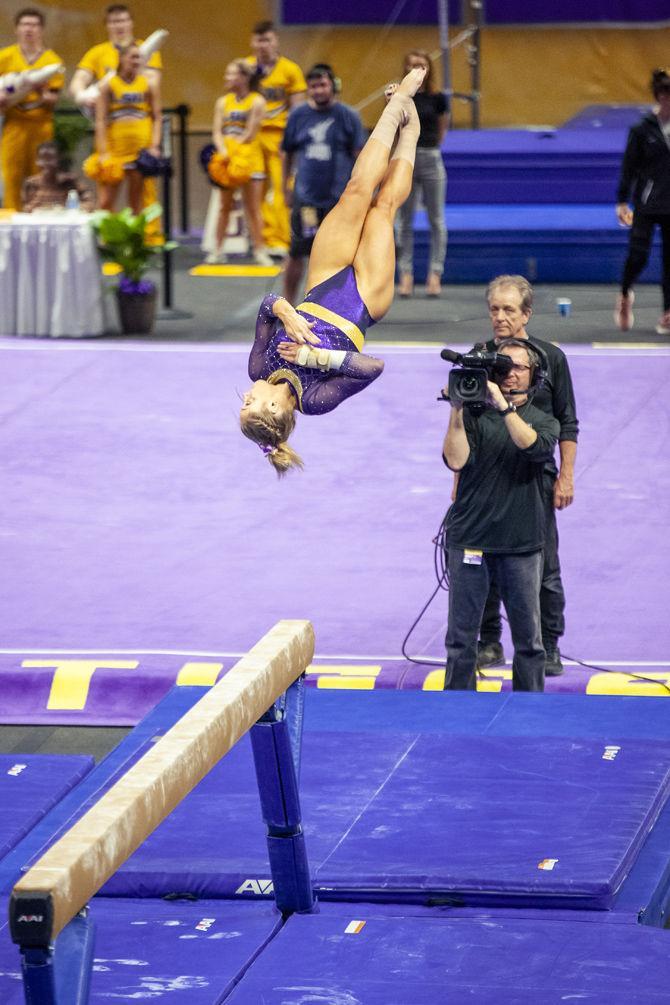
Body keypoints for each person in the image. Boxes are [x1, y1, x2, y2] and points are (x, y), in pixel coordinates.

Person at [240, 67, 425, 476]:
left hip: (320, 285)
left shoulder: (258, 369)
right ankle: (410, 133)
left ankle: (396, 109)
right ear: (273, 407)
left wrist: (286, 312)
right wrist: (311, 355)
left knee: (356, 191)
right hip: (363, 301)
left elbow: (268, 305)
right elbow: (372, 367)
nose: (245, 396)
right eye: (248, 404)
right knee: (382, 209)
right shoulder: (315, 400)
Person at [470, 275, 578, 677]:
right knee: (482, 561)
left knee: (544, 565)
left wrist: (565, 477)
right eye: (494, 309)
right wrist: (459, 480)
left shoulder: (551, 358)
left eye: (509, 310)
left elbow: (568, 422)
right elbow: (467, 422)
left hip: (535, 476)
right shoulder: (478, 356)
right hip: (485, 476)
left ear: (526, 313)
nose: (499, 317)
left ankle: (548, 645)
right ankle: (489, 641)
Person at [442, 339, 560, 692]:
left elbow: (533, 447)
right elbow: (455, 460)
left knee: (529, 643)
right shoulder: (475, 416)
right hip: (470, 541)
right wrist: (457, 409)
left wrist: (505, 408)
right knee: (461, 641)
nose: (510, 374)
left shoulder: (544, 420)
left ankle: (529, 713)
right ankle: (457, 712)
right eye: (505, 366)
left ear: (534, 375)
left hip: (521, 544)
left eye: (519, 367)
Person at [70, 4, 163, 231]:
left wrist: (130, 70)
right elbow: (77, 83)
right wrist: (83, 96)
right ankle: (109, 240)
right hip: (112, 137)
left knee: (145, 194)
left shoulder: (146, 52)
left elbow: (152, 82)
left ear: (130, 23)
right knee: (107, 193)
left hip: (140, 136)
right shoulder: (97, 52)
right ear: (107, 25)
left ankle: (148, 240)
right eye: (114, 22)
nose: (119, 26)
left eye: (123, 21)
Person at [281, 63, 366, 304]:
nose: (318, 91)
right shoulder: (298, 116)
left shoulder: (348, 116)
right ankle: (289, 302)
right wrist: (284, 187)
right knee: (299, 251)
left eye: (323, 85)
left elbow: (361, 155)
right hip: (307, 200)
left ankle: (334, 303)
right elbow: (286, 154)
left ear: (333, 86)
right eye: (313, 86)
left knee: (340, 255)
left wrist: (363, 191)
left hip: (338, 202)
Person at [615, 68, 670, 336]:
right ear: (660, 97)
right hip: (647, 204)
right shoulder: (642, 129)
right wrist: (621, 201)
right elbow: (629, 167)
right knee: (638, 255)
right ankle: (625, 294)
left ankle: (668, 312)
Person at [247, 20, 306, 256]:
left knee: (282, 187)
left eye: (268, 40)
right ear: (252, 43)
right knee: (255, 190)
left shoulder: (290, 70)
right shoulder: (247, 69)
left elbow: (298, 109)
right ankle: (261, 240)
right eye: (259, 40)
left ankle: (281, 240)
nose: (263, 45)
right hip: (253, 136)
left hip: (279, 136)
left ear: (276, 41)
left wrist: (293, 140)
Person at [205, 59, 270, 266]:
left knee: (253, 208)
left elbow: (250, 133)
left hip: (249, 161)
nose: (227, 78)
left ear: (244, 78)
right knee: (224, 206)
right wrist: (223, 151)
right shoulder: (223, 102)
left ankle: (260, 250)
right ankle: (217, 250)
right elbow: (217, 131)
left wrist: (233, 151)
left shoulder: (257, 101)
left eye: (231, 74)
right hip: (227, 161)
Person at [396, 50, 449, 299]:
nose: (417, 69)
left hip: (430, 156)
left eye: (422, 66)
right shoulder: (400, 96)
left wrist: (430, 146)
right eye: (413, 65)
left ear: (429, 69)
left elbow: (441, 128)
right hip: (406, 159)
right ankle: (406, 274)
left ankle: (435, 274)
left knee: (436, 219)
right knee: (404, 220)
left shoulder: (438, 98)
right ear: (406, 68)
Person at [0, 8, 64, 211]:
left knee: (41, 176)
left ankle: (38, 221)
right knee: (11, 175)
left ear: (41, 30)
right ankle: (10, 223)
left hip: (41, 125)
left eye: (34, 25)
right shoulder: (5, 57)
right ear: (17, 29)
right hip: (14, 124)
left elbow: (53, 99)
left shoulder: (52, 61)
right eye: (25, 24)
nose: (29, 29)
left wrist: (40, 89)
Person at [87, 42, 161, 213]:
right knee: (106, 201)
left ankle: (134, 238)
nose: (136, 61)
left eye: (139, 57)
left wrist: (154, 146)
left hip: (139, 150)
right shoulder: (108, 85)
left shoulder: (148, 84)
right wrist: (104, 152)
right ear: (121, 58)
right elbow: (100, 120)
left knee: (136, 202)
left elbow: (156, 117)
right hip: (115, 150)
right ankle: (107, 238)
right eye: (133, 56)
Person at [21, 141, 93, 212]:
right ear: (37, 161)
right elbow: (26, 207)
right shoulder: (31, 183)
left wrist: (79, 209)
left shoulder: (70, 181)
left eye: (50, 158)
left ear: (58, 160)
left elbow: (88, 201)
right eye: (42, 159)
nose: (46, 163)